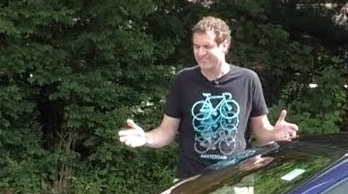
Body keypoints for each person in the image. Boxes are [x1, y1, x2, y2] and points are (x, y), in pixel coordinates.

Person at [118, 16, 299, 178]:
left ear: (224, 45)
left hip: (236, 180)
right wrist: (146, 138)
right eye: (196, 46)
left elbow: (260, 130)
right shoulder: (183, 81)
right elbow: (166, 131)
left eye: (207, 46)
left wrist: (274, 134)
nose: (200, 52)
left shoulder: (248, 79)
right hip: (191, 181)